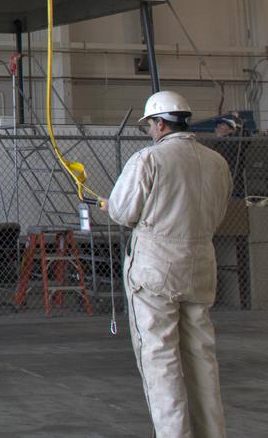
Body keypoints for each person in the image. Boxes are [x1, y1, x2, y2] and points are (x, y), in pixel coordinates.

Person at [103, 90, 232, 438]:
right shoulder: (216, 162)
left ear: (160, 124)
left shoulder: (148, 159)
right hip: (200, 266)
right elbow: (217, 213)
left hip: (156, 271)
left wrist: (111, 204)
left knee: (160, 360)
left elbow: (122, 211)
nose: (149, 131)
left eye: (150, 125)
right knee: (202, 359)